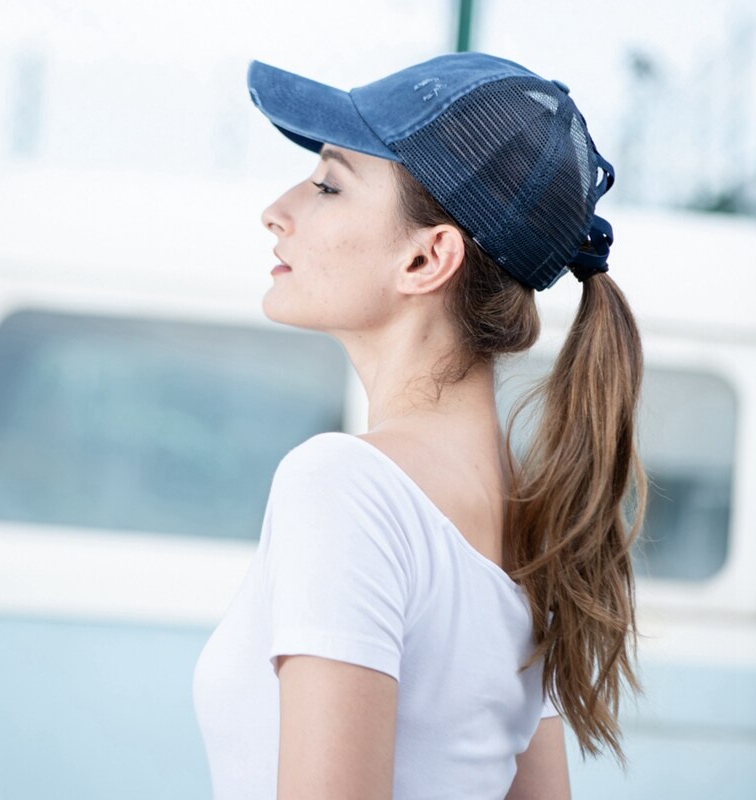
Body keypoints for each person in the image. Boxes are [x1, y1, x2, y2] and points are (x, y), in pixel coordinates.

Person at [194, 51, 645, 800]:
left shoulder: (346, 487)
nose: (278, 210)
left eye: (328, 185)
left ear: (426, 257)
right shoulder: (532, 528)